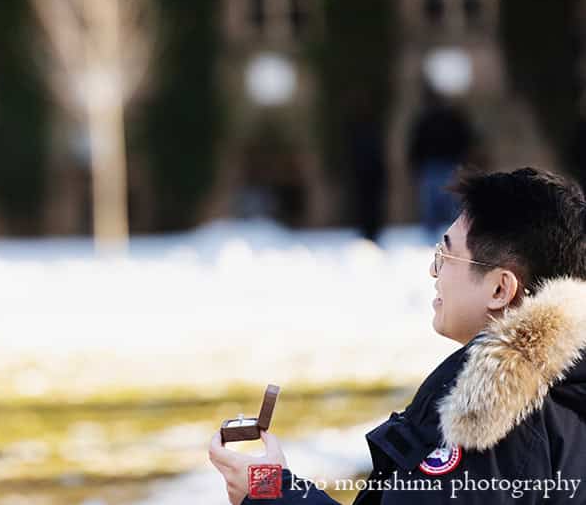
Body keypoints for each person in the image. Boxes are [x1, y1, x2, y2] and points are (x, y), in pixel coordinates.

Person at [210, 167, 586, 504]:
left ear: (500, 290)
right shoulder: (566, 396)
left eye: (446, 255)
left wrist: (266, 492)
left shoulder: (494, 418)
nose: (432, 270)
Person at [407, 85, 474, 239]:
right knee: (448, 206)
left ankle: (444, 239)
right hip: (442, 166)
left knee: (438, 207)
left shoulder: (426, 120)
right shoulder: (449, 117)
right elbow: (465, 140)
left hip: (437, 166)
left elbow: (415, 146)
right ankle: (453, 239)